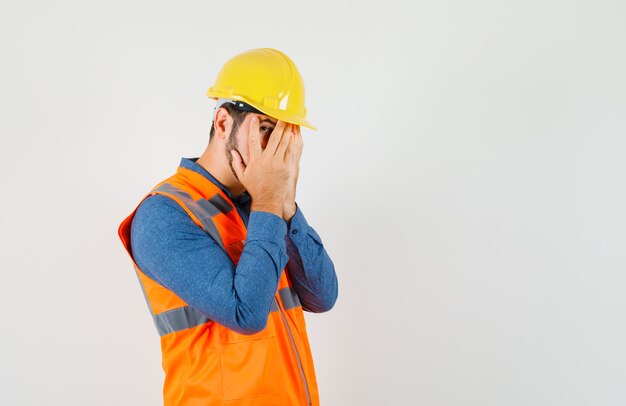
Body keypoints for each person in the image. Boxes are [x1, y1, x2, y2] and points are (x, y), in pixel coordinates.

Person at [117, 48, 338, 405]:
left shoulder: (262, 204)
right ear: (223, 123)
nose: (275, 153)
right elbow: (245, 313)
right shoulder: (165, 214)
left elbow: (322, 295)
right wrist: (268, 202)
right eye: (267, 130)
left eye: (285, 137)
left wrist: (285, 206)